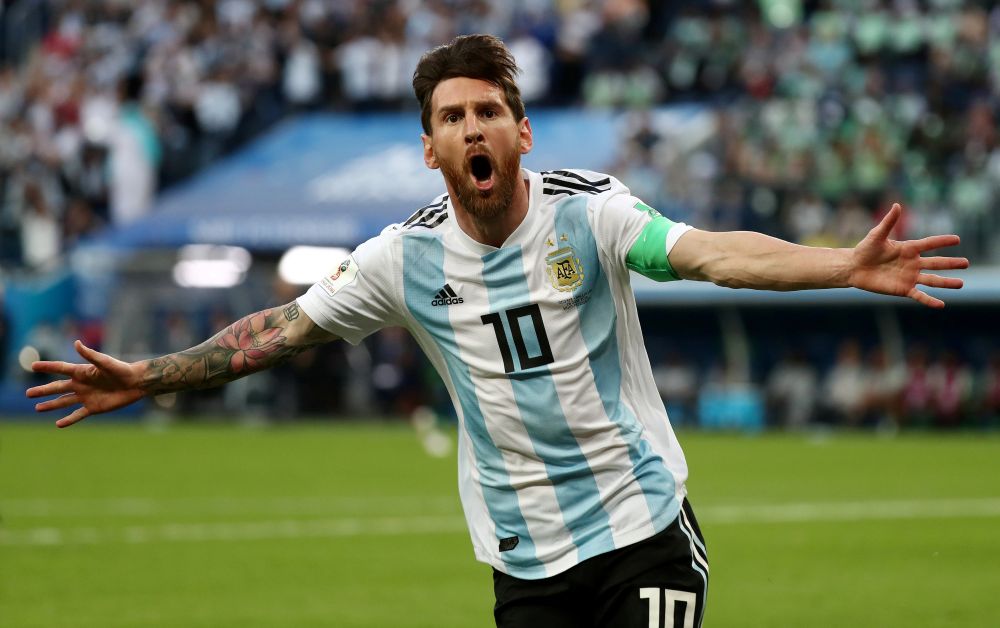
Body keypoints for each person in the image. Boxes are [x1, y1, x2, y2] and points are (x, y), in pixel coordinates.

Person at [26, 35, 968, 628]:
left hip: (641, 529)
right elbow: (278, 331)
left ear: (522, 132)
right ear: (430, 148)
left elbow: (711, 254)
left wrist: (841, 264)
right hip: (523, 561)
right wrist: (149, 376)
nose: (473, 126)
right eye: (452, 116)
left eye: (488, 111)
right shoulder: (403, 260)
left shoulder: (592, 215)